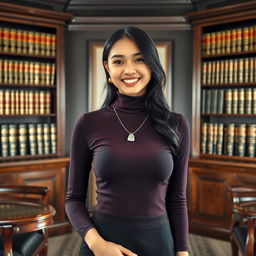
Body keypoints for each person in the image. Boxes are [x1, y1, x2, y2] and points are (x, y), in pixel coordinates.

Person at [65, 26, 190, 256]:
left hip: (159, 243)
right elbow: (73, 199)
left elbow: (177, 199)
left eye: (139, 59)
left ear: (152, 64)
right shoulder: (87, 123)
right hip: (102, 243)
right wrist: (97, 244)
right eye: (118, 61)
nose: (129, 70)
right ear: (107, 68)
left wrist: (183, 252)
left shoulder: (177, 124)